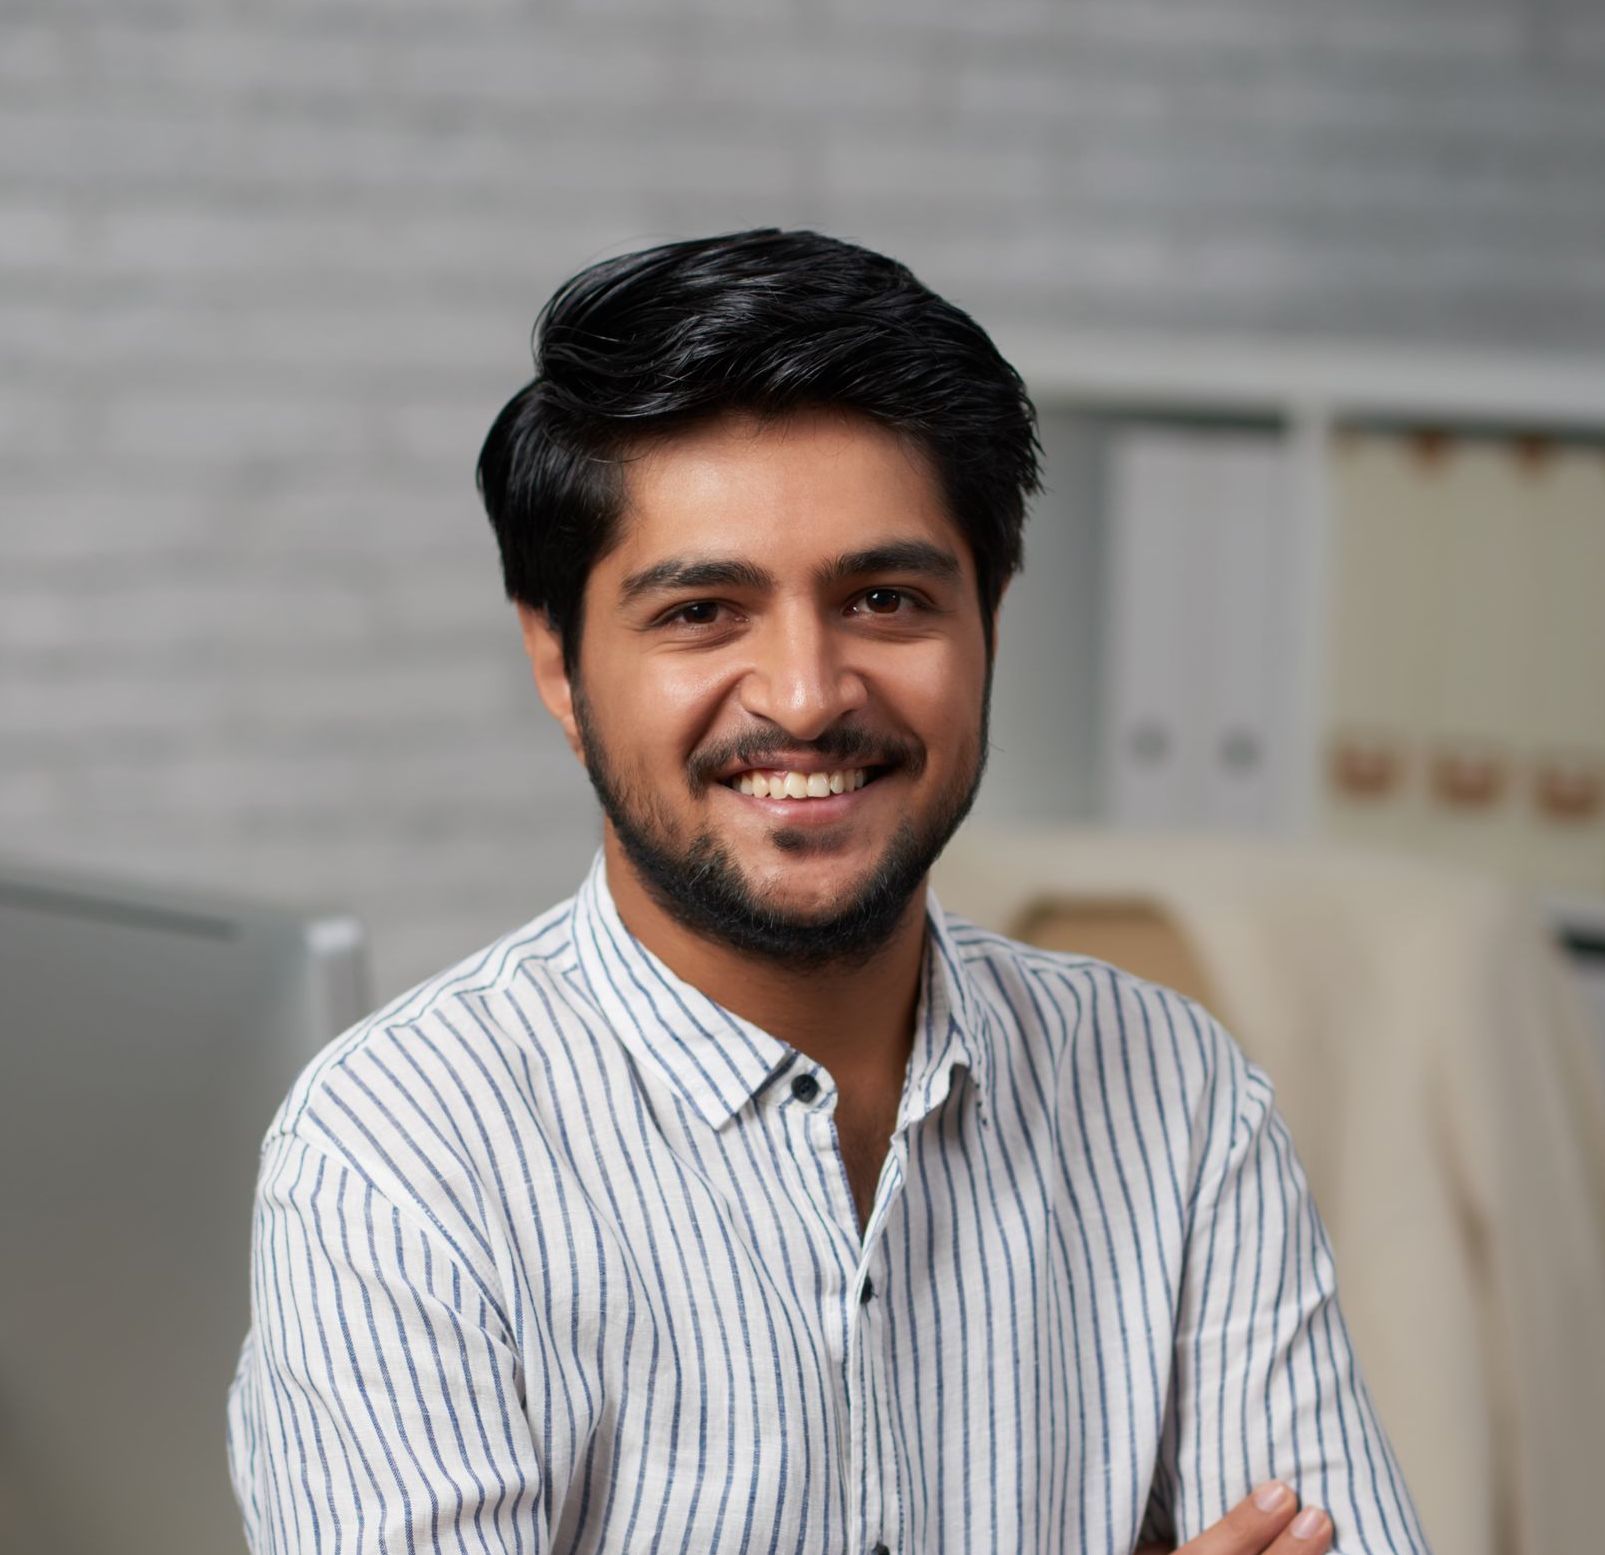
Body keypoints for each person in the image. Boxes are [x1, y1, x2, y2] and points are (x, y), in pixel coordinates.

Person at [226, 229, 1430, 1555]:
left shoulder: (1177, 1098)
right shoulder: (400, 1161)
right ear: (559, 665)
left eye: (884, 598)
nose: (805, 695)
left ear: (988, 623)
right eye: (700, 614)